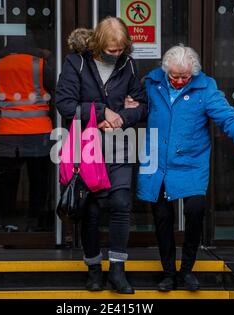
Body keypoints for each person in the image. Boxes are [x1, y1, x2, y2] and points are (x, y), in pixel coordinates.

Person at [136, 44, 234, 291]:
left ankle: (186, 270)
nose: (179, 81)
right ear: (166, 71)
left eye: (184, 77)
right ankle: (168, 273)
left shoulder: (205, 88)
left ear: (193, 73)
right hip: (158, 162)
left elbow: (228, 118)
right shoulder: (152, 84)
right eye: (174, 76)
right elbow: (138, 106)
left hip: (191, 162)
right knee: (162, 217)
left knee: (195, 211)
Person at [55, 18, 147, 294]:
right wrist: (100, 112)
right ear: (98, 45)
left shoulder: (129, 65)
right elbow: (64, 104)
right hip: (87, 147)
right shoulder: (77, 63)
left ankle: (117, 271)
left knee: (121, 203)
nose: (116, 55)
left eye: (120, 50)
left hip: (119, 144)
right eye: (111, 50)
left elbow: (142, 105)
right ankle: (94, 270)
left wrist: (123, 116)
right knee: (90, 211)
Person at [0, 33, 54, 231]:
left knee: (8, 179)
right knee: (38, 179)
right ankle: (36, 220)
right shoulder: (40, 64)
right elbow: (53, 86)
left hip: (7, 131)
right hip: (38, 130)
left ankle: (9, 221)